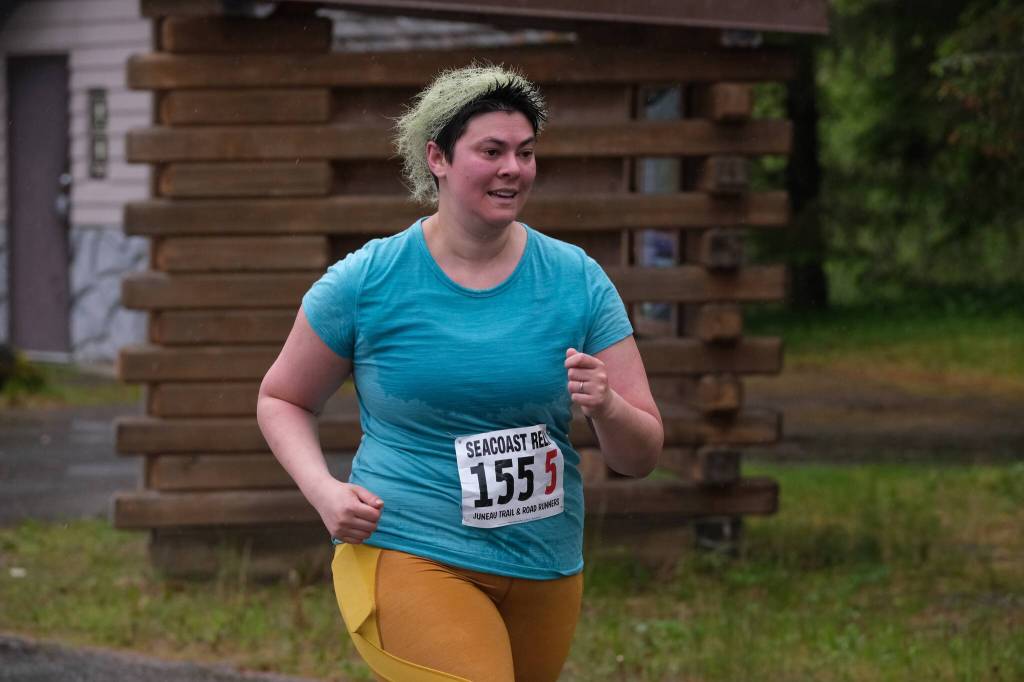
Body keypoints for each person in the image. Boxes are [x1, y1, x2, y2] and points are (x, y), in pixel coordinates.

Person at [257, 64, 663, 682]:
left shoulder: (577, 279)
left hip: (544, 561)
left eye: (525, 153)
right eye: (492, 151)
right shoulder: (368, 280)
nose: (513, 169)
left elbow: (642, 455)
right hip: (411, 547)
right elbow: (282, 397)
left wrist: (607, 409)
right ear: (438, 158)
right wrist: (323, 490)